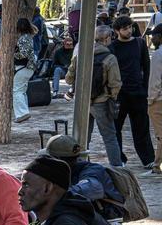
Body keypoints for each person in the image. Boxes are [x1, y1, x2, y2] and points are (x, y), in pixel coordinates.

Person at [66, 26, 124, 166]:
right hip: (101, 102)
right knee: (109, 137)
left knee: (83, 137)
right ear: (106, 39)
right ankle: (117, 167)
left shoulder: (80, 55)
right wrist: (111, 97)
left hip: (82, 101)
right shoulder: (110, 58)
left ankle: (79, 165)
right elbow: (115, 83)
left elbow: (69, 79)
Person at [45, 134, 128, 225]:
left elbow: (91, 189)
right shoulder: (66, 171)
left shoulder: (92, 170)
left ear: (58, 160)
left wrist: (50, 193)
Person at [109, 15, 156, 169]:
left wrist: (145, 88)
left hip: (138, 93)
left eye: (130, 27)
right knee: (116, 128)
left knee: (142, 128)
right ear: (117, 31)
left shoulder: (139, 43)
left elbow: (146, 67)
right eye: (125, 28)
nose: (129, 31)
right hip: (120, 95)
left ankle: (148, 159)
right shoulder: (113, 47)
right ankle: (119, 159)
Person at [12, 17, 37, 123]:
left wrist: (13, 54)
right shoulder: (29, 37)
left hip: (23, 67)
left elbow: (23, 54)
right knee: (21, 91)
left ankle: (22, 113)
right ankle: (24, 111)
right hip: (28, 68)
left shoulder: (23, 38)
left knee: (17, 91)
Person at [149, 24, 162, 175]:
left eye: (154, 35)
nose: (152, 38)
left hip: (158, 99)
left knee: (160, 134)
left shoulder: (158, 55)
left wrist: (150, 99)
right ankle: (157, 164)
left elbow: (155, 80)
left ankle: (157, 165)